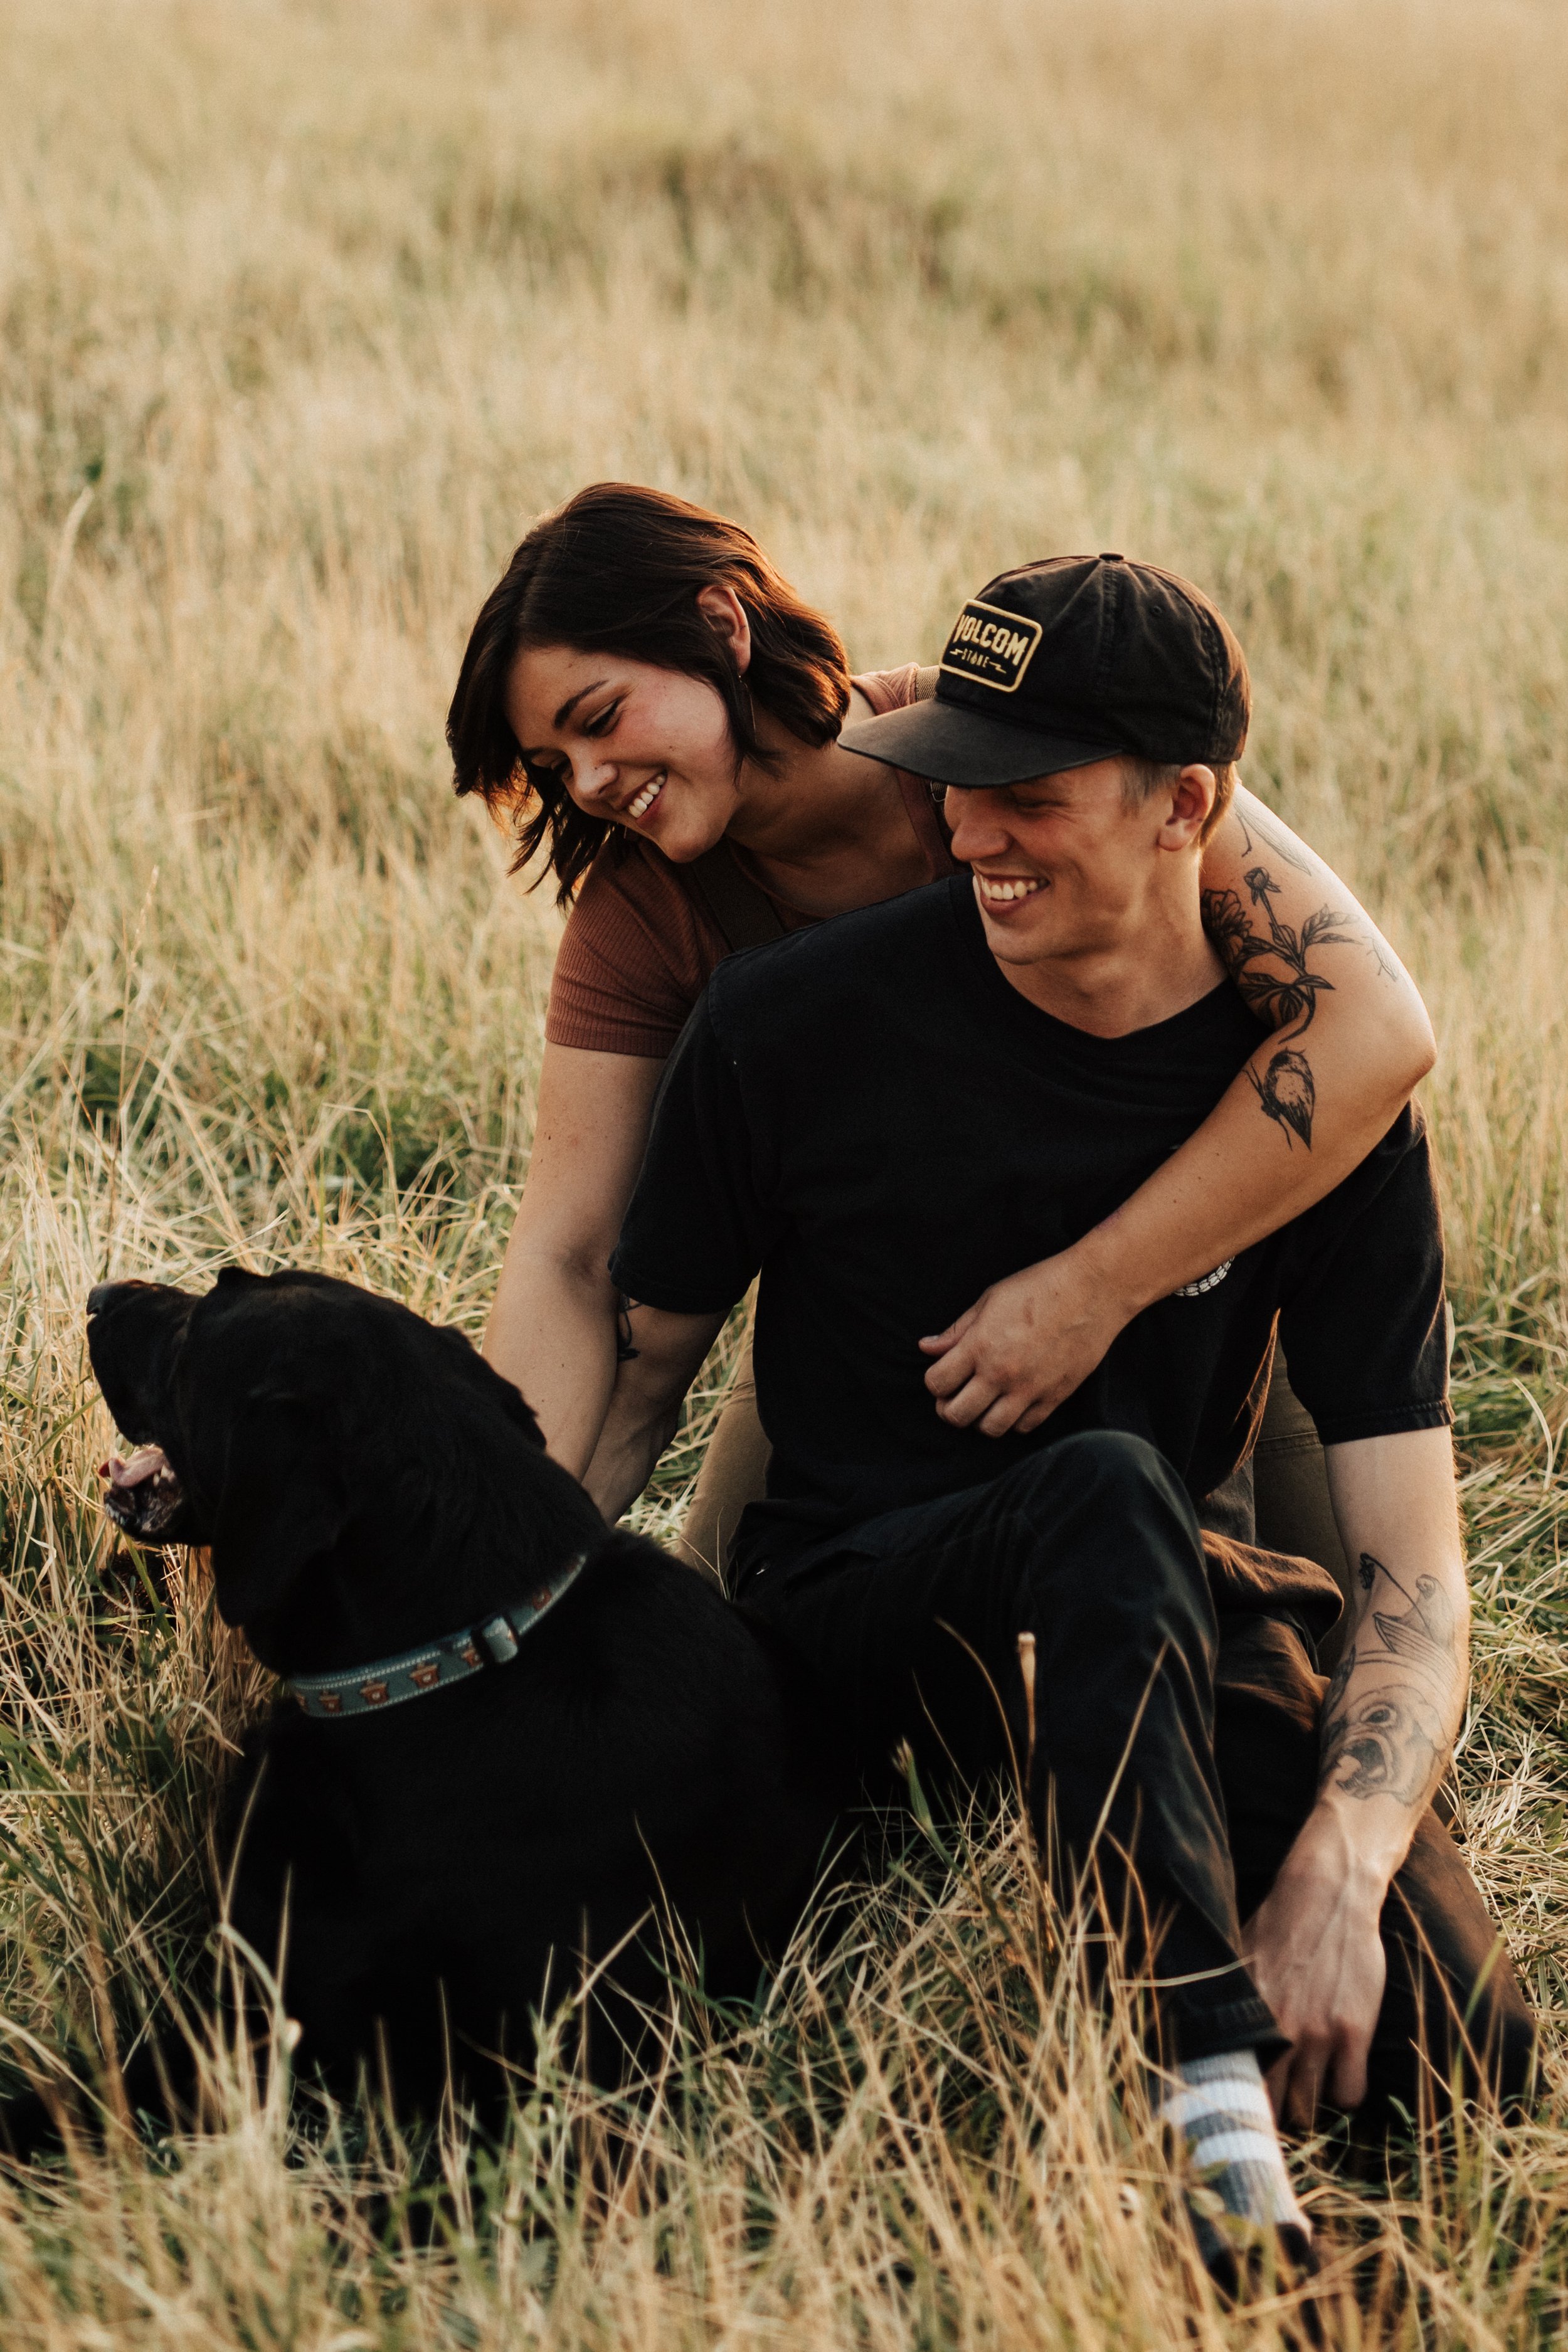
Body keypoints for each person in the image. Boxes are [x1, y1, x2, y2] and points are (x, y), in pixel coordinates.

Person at [581, 554, 1535, 2279]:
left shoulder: (1314, 1110)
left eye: (1025, 795)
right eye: (951, 784)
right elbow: (634, 1370)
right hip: (856, 1622)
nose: (966, 837)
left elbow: (1410, 1561)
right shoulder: (788, 1024)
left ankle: (1282, 2077)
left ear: (1187, 803)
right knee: (1105, 1489)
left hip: (1158, 1618)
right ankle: (1213, 2139)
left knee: (1466, 2050)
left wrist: (1337, 1861)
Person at [446, 487, 1434, 1588]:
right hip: (894, 1336)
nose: (585, 784)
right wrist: (491, 1561)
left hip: (1186, 1291)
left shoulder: (1005, 744)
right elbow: (570, 1257)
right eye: (550, 764)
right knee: (750, 1634)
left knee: (1283, 1637)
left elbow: (1375, 1027)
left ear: (723, 629)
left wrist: (1093, 1291)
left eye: (600, 717)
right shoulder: (642, 917)